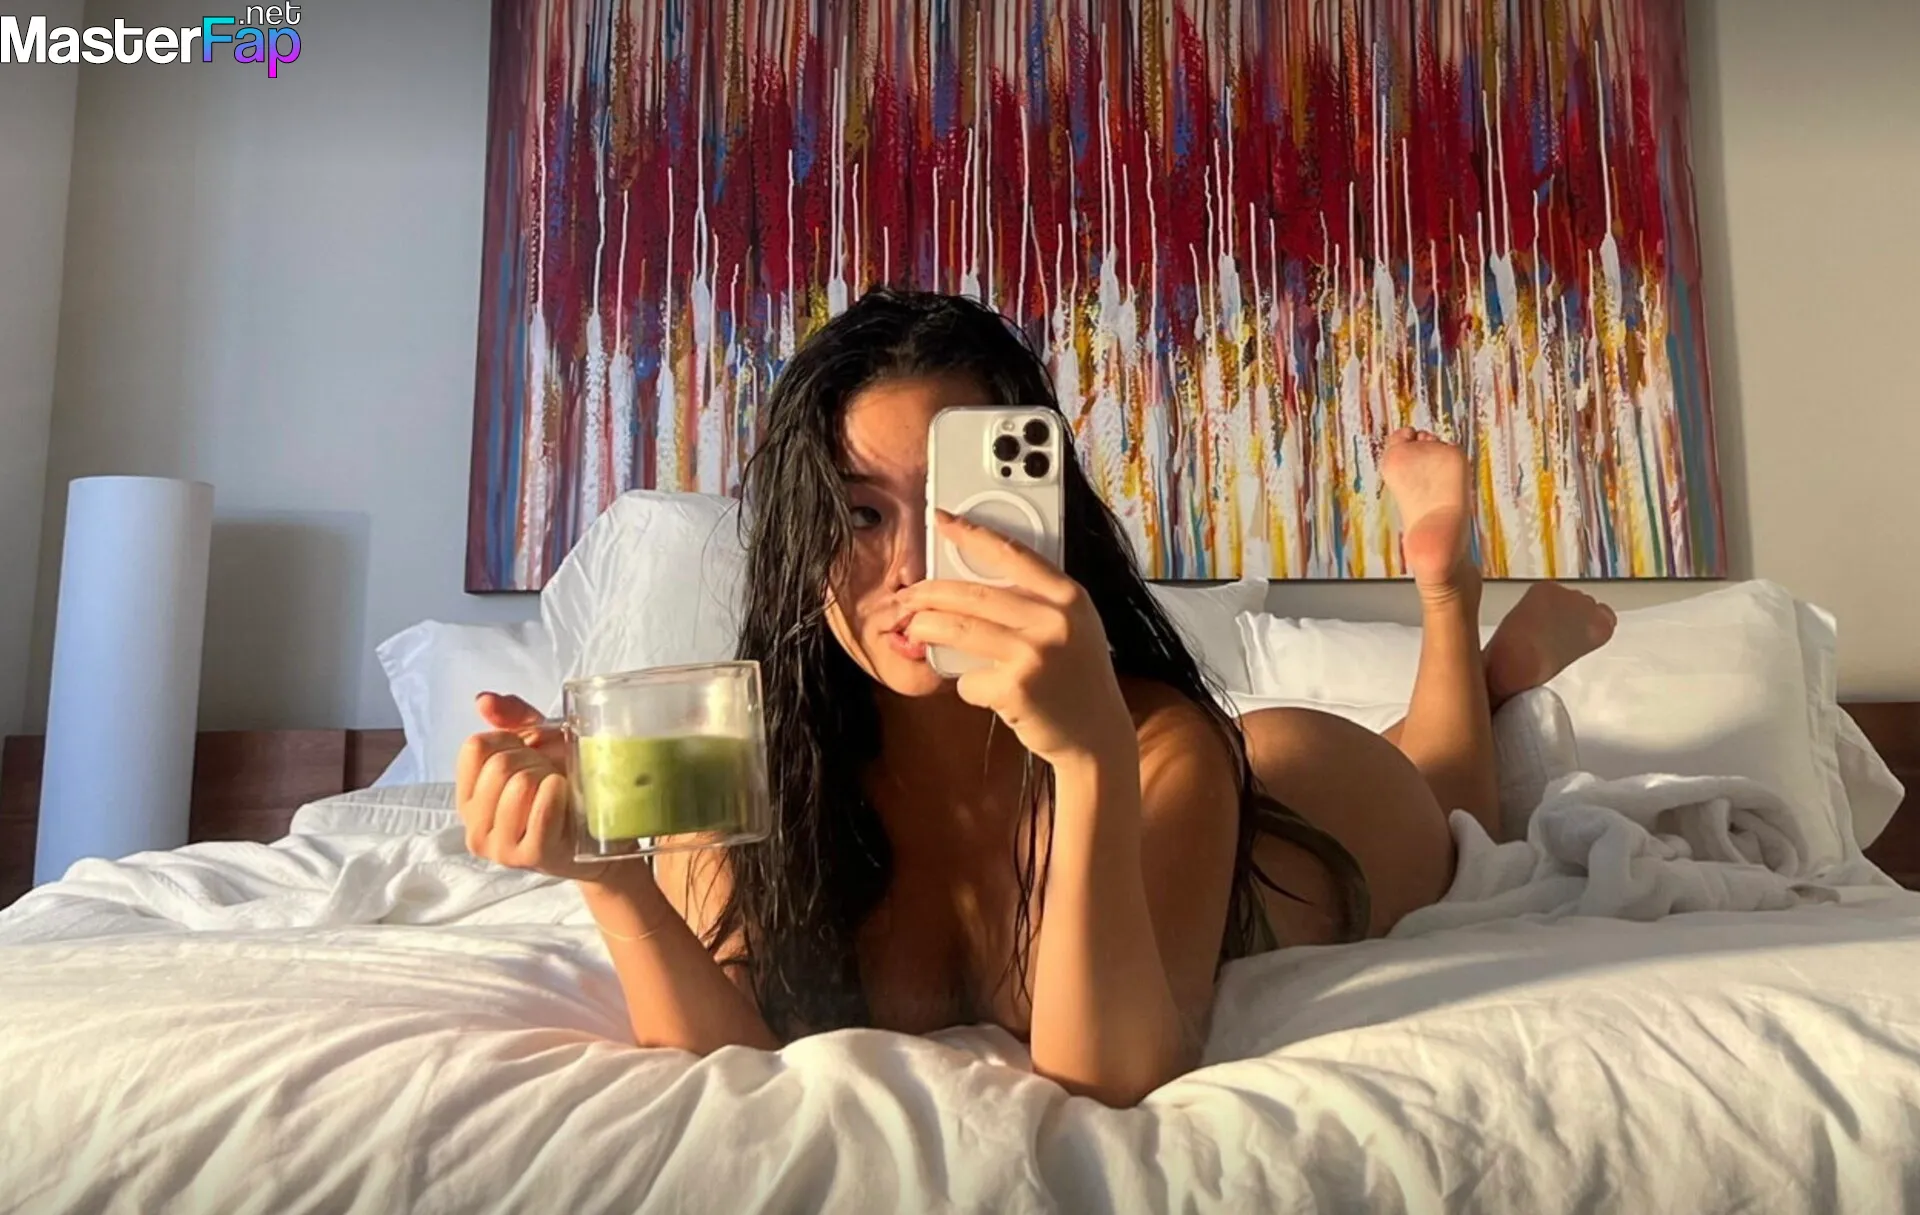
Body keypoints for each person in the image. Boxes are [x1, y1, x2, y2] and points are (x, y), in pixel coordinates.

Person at [457, 289, 1616, 1108]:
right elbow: (722, 1063)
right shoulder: (750, 770)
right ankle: (1481, 654)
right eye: (859, 514)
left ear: (1039, 511)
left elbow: (1110, 1079)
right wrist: (610, 878)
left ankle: (1451, 608)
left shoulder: (1156, 744)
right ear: (799, 543)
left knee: (1453, 801)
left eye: (958, 507)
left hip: (1298, 798)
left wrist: (1092, 755)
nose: (912, 566)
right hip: (1181, 783)